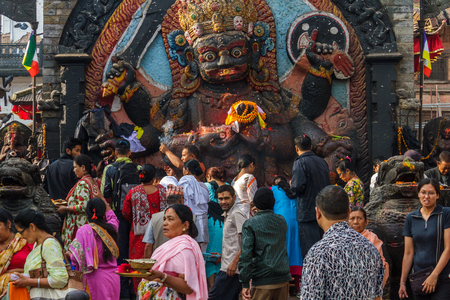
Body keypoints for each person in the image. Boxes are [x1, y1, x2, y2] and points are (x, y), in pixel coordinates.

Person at [300, 185, 383, 300]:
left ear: (317, 212)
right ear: (349, 212)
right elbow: (378, 297)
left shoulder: (317, 254)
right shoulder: (371, 248)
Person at [137, 204, 208, 300]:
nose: (165, 223)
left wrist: (162, 276)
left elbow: (188, 288)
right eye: (164, 219)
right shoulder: (169, 245)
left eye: (170, 219)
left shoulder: (184, 249)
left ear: (185, 225)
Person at [399, 178, 450, 300]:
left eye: (431, 193)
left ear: (437, 195)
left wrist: (434, 275)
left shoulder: (445, 214)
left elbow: (448, 249)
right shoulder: (411, 218)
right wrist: (402, 282)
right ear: (418, 194)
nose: (426, 196)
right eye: (423, 192)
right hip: (419, 278)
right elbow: (408, 253)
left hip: (442, 277)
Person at [101, 139, 140, 300]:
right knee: (134, 249)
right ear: (130, 153)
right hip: (136, 217)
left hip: (117, 216)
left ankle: (122, 290)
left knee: (120, 251)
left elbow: (105, 194)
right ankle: (135, 288)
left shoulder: (109, 168)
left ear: (116, 153)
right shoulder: (137, 168)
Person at [239, 187, 291, 300]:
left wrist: (245, 283)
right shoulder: (281, 220)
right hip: (283, 277)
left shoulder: (250, 224)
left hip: (262, 280)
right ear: (273, 202)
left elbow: (246, 255)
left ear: (256, 203)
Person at [122, 164, 167, 292]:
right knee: (160, 265)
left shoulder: (133, 192)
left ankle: (140, 293)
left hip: (138, 237)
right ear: (154, 177)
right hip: (161, 234)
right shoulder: (163, 191)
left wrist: (137, 221)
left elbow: (125, 213)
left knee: (139, 267)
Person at [13, 209, 73, 299]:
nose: (21, 236)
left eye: (21, 232)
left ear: (32, 227)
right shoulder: (37, 245)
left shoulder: (49, 244)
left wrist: (29, 282)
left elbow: (60, 279)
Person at [68, 198, 120, 300]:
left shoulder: (84, 231)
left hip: (95, 279)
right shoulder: (111, 229)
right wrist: (103, 199)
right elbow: (113, 217)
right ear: (103, 213)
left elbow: (76, 258)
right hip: (113, 278)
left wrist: (69, 255)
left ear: (87, 212)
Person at [290, 135, 331, 257]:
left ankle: (312, 275)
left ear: (297, 149)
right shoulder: (322, 161)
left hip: (307, 212)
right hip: (323, 212)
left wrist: (291, 185)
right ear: (311, 146)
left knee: (310, 250)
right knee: (323, 247)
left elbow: (297, 187)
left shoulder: (300, 162)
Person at [209, 185, 247, 300]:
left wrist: (234, 262)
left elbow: (247, 241)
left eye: (226, 198)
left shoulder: (236, 214)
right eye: (220, 199)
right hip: (228, 266)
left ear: (234, 198)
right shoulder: (228, 214)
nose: (223, 202)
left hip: (231, 270)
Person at [60, 154, 103, 251]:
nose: (74, 170)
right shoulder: (92, 181)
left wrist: (66, 208)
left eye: (75, 167)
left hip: (79, 224)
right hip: (88, 223)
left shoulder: (82, 183)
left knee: (76, 253)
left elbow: (83, 206)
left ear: (83, 167)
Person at [271, 176, 302, 295]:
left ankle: (283, 286)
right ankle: (297, 287)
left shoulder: (272, 189)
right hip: (296, 222)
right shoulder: (293, 191)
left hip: (281, 223)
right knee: (295, 250)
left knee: (283, 250)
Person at [349, 207, 389, 287]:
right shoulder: (344, 238)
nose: (356, 222)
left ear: (366, 222)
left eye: (359, 218)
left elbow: (380, 262)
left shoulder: (372, 238)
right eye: (352, 219)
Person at [178, 159, 210, 252]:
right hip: (203, 222)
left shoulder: (184, 182)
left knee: (188, 250)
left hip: (188, 222)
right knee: (201, 253)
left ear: (187, 170)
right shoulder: (204, 187)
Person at [0, 209, 33, 297]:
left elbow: (41, 269)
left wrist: (15, 272)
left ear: (8, 224)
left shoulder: (26, 242)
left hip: (24, 290)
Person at [204, 167, 227, 290]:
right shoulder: (229, 186)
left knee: (210, 257)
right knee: (221, 257)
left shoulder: (205, 186)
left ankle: (211, 289)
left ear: (209, 177)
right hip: (225, 224)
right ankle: (221, 290)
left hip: (211, 224)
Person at [143, 193, 184, 258]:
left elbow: (148, 245)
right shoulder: (192, 218)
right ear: (181, 199)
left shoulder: (155, 218)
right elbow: (197, 245)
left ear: (167, 201)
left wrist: (147, 266)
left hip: (158, 262)